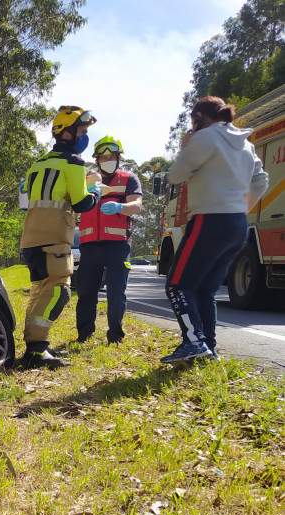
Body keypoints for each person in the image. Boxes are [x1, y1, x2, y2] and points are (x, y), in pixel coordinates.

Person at [162, 96, 268, 364]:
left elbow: (175, 175)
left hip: (209, 220)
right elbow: (261, 180)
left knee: (177, 285)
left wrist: (185, 146)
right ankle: (209, 349)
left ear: (197, 117)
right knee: (205, 290)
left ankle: (193, 342)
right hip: (237, 224)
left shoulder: (204, 138)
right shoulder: (246, 144)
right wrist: (241, 207)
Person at [19, 106, 102, 369]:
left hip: (31, 235)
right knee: (59, 291)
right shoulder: (74, 162)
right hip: (55, 234)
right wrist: (96, 190)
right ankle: (36, 348)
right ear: (67, 135)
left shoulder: (37, 163)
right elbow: (81, 203)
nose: (85, 136)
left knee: (39, 291)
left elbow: (34, 196)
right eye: (82, 131)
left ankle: (35, 346)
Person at [75, 136, 143, 344]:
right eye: (103, 157)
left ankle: (115, 336)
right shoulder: (86, 180)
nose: (107, 159)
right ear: (96, 160)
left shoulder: (129, 179)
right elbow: (72, 203)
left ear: (119, 157)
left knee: (115, 291)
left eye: (111, 156)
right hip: (89, 245)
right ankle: (84, 335)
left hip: (117, 244)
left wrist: (120, 207)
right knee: (86, 291)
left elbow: (137, 205)